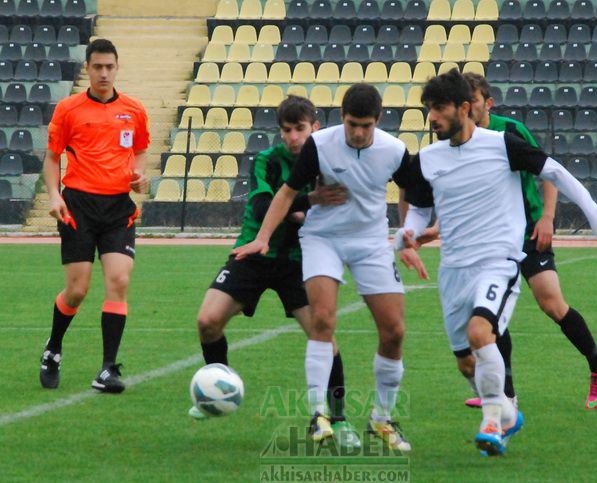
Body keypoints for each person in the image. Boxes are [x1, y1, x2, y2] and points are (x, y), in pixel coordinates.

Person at [396, 69, 597, 456]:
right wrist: (408, 233)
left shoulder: (503, 142)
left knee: (480, 332)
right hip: (453, 270)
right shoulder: (428, 159)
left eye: (438, 108)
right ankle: (505, 412)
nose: (431, 117)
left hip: (498, 261)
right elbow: (419, 209)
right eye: (428, 109)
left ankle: (491, 422)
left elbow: (555, 171)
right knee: (466, 364)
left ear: (465, 108)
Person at [233, 84, 413, 452]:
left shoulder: (395, 151)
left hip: (370, 242)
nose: (358, 132)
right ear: (340, 118)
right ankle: (318, 413)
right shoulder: (321, 144)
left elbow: (415, 191)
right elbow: (286, 192)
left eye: (365, 125)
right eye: (351, 124)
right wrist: (264, 236)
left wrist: (409, 233)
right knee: (323, 318)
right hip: (323, 239)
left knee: (394, 330)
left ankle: (383, 417)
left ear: (378, 120)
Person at [192, 95, 361, 449]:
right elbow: (264, 205)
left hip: (301, 260)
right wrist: (308, 202)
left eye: (300, 129)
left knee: (323, 334)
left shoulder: (328, 161)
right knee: (207, 321)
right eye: (286, 130)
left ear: (315, 127)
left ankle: (339, 418)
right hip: (254, 251)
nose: (293, 137)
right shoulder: (267, 160)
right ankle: (218, 388)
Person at [39, 38, 150, 393]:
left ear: (117, 68)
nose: (103, 73)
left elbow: (140, 150)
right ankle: (53, 349)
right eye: (97, 66)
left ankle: (107, 370)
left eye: (109, 66)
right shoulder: (69, 109)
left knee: (119, 281)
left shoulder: (134, 110)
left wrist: (140, 175)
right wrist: (55, 195)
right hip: (79, 207)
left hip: (118, 208)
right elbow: (53, 158)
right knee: (77, 290)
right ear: (87, 68)